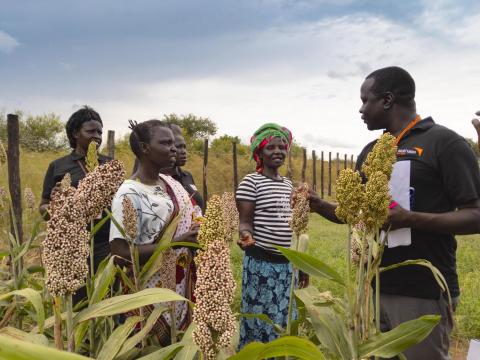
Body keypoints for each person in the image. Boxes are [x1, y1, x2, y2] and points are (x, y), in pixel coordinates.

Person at [308, 66, 480, 359]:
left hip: (421, 291)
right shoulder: (371, 151)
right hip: (370, 290)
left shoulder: (444, 143)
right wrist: (319, 205)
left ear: (387, 100)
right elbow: (357, 213)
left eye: (366, 100)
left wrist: (410, 218)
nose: (361, 109)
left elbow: (475, 215)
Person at [109, 119, 200, 345]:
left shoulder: (169, 183)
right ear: (144, 148)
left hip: (178, 285)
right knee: (148, 348)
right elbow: (121, 253)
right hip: (146, 291)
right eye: (165, 143)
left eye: (173, 142)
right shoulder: (129, 193)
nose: (173, 148)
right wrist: (176, 242)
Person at [235, 123, 308, 350]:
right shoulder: (251, 182)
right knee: (259, 317)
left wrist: (302, 263)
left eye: (282, 147)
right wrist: (246, 236)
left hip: (287, 265)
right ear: (259, 153)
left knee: (283, 317)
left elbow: (294, 227)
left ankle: (280, 354)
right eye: (271, 148)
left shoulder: (288, 185)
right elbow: (245, 222)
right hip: (262, 264)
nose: (278, 151)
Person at [39, 106, 111, 304]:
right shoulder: (59, 166)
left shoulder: (109, 165)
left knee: (108, 300)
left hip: (106, 244)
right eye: (91, 131)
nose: (96, 136)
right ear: (75, 133)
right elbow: (43, 208)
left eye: (100, 132)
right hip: (73, 246)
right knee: (79, 302)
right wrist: (56, 206)